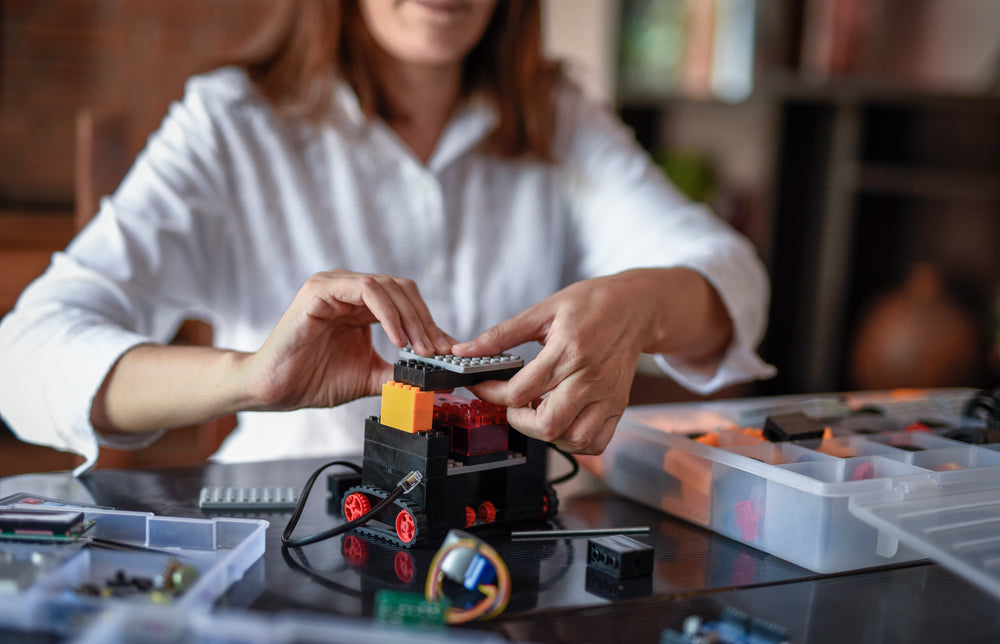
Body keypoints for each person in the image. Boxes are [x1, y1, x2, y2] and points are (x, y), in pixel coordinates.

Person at [0, 0, 774, 475]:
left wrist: (638, 302)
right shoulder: (227, 122)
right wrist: (252, 376)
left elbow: (731, 276)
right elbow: (21, 360)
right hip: (282, 527)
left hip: (496, 532)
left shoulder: (559, 113)